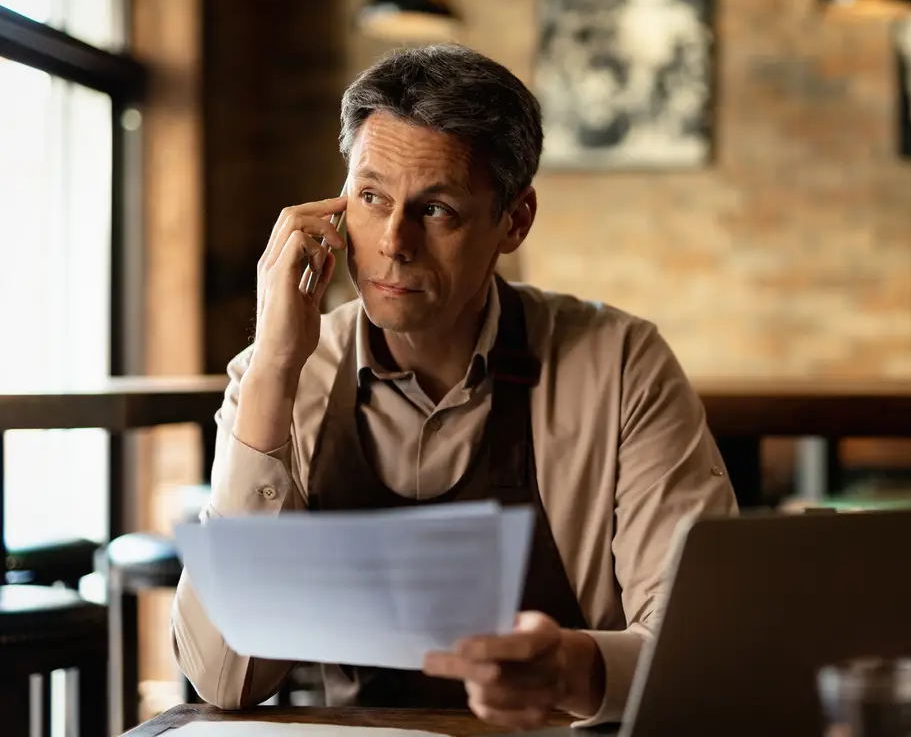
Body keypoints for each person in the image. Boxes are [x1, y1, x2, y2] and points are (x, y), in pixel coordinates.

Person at [171, 43, 738, 730]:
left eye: (436, 210)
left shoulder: (622, 366)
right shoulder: (282, 373)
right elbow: (221, 677)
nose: (393, 242)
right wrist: (273, 373)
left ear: (514, 221)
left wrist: (572, 669)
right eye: (372, 198)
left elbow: (702, 653)